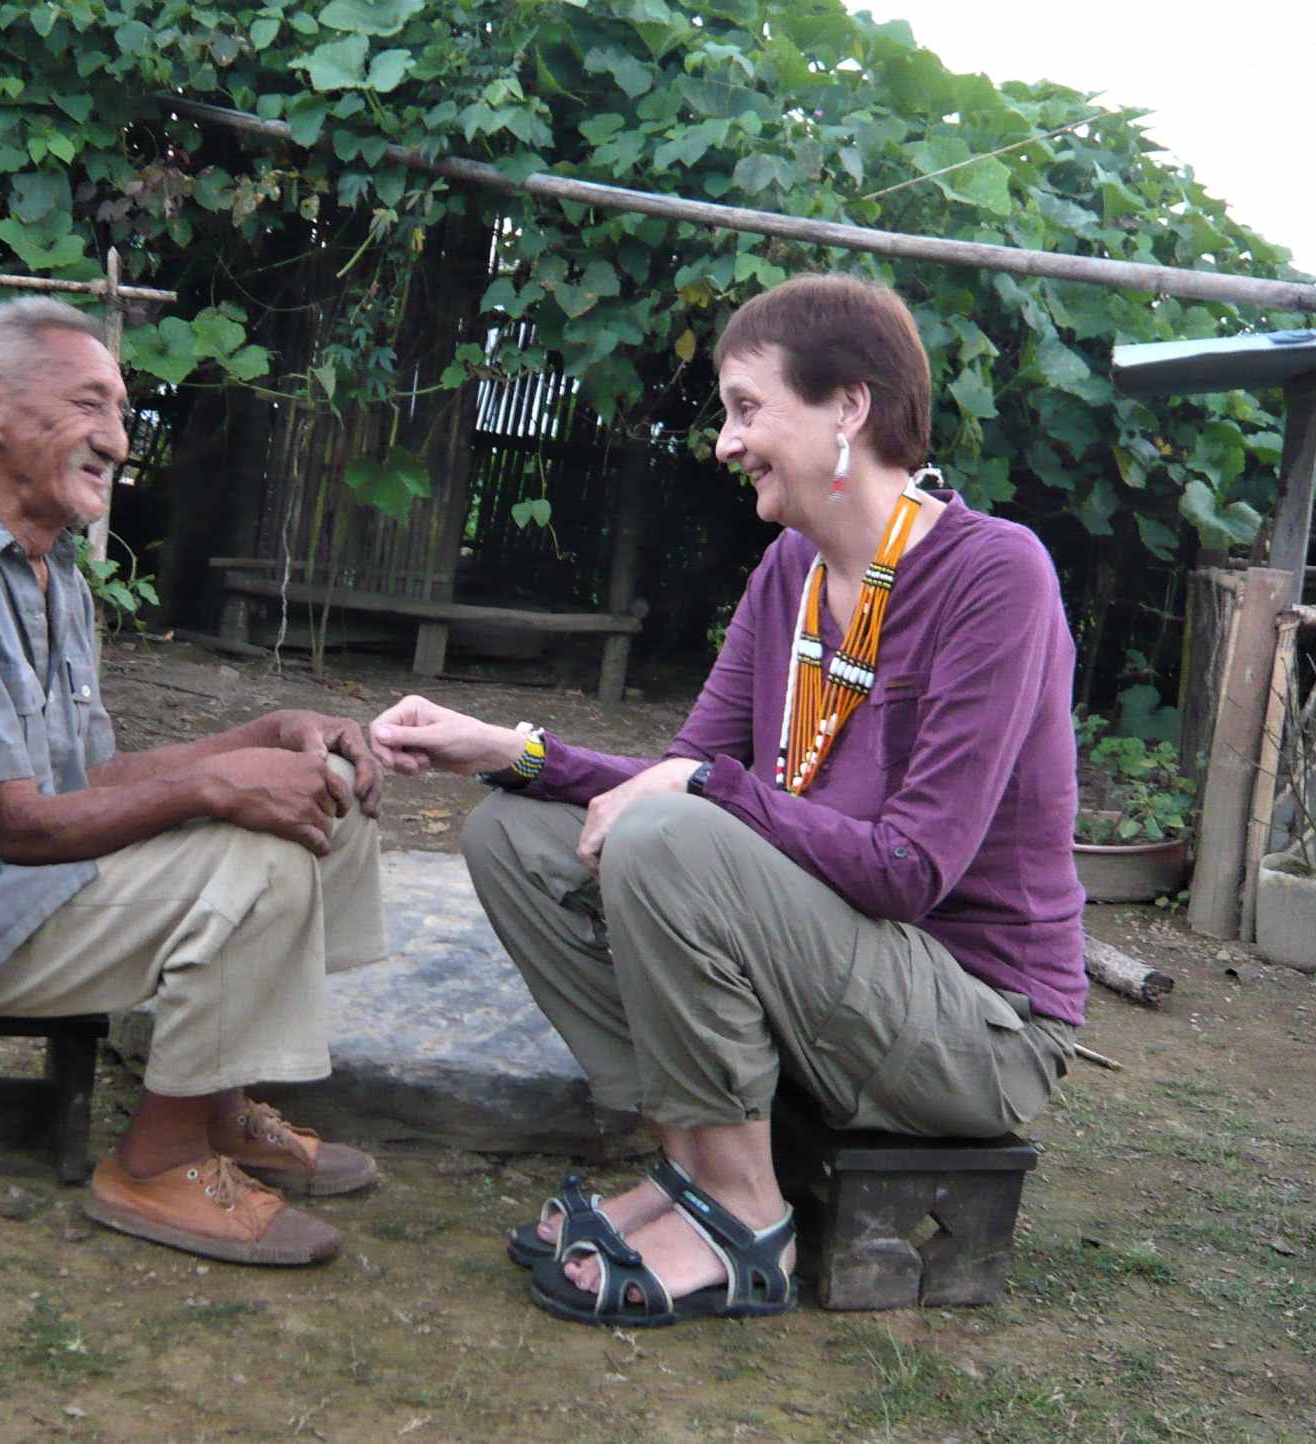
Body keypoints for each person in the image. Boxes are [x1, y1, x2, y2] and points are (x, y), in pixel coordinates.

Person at [370, 272, 1085, 1327]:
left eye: (747, 409)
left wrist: (705, 786)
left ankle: (746, 1218)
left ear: (849, 405)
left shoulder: (994, 574)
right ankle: (692, 1162)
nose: (722, 442)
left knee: (667, 829)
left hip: (976, 1024)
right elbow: (675, 783)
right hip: (837, 983)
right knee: (517, 835)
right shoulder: (788, 574)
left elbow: (908, 869)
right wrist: (508, 751)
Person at [0, 296, 387, 1268]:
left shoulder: (46, 565)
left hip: (17, 885)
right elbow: (22, 828)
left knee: (322, 785)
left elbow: (94, 777)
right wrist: (218, 789)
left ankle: (219, 1105)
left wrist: (268, 735)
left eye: (120, 412)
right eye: (91, 406)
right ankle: (155, 1161)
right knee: (260, 855)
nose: (117, 439)